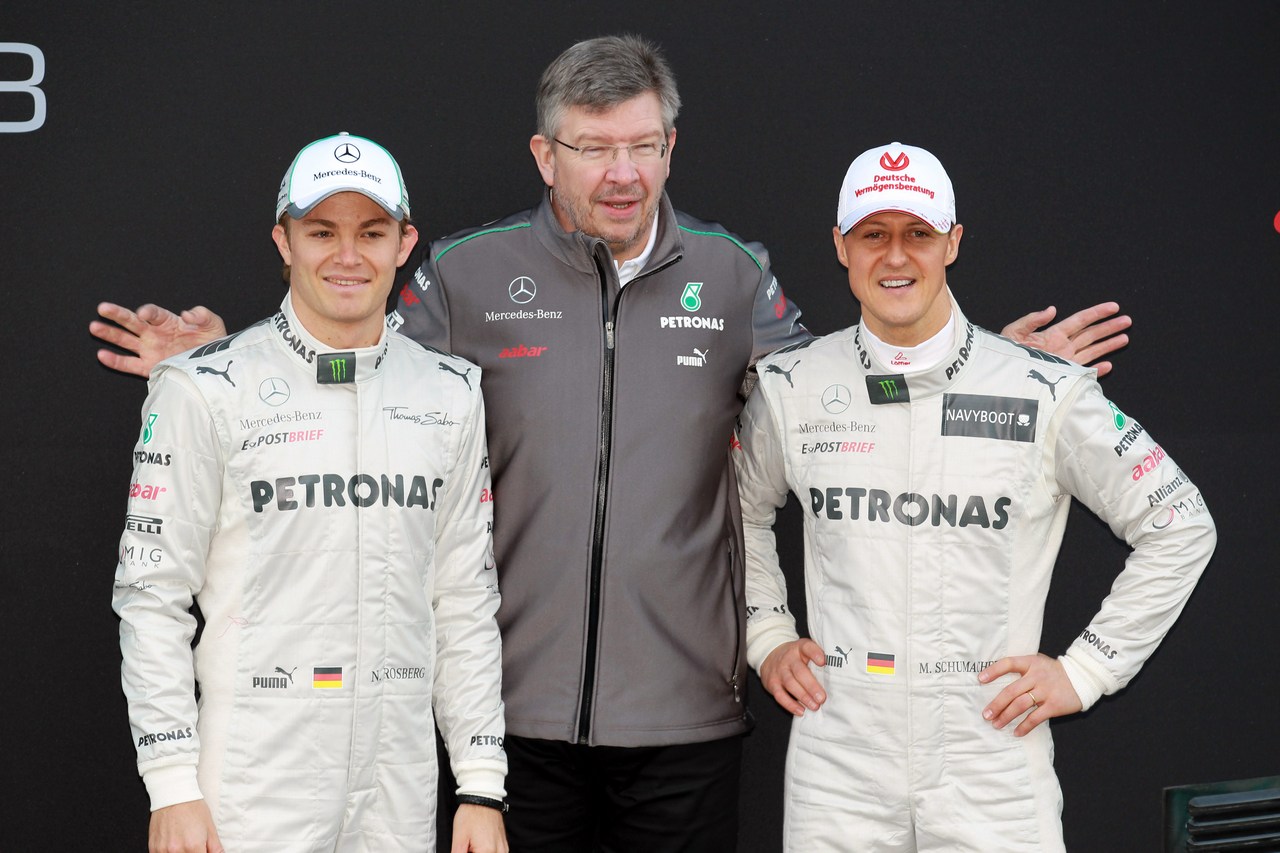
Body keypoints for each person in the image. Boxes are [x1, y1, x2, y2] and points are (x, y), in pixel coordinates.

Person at [93, 40, 1130, 851]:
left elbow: (832, 395)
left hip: (685, 719)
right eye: (592, 147)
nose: (621, 172)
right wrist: (222, 359)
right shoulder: (463, 272)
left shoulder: (730, 275)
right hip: (513, 720)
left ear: (670, 146)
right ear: (546, 154)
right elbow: (346, 346)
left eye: (642, 144)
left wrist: (974, 359)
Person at [733, 141, 1216, 851]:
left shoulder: (1043, 389)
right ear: (840, 246)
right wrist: (767, 634)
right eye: (874, 234)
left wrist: (1086, 670)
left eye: (918, 234)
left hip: (991, 758)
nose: (895, 257)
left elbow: (1180, 522)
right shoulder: (792, 385)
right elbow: (735, 511)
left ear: (953, 243)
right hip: (839, 764)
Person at [111, 133, 508, 853]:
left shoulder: (452, 392)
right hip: (255, 772)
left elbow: (464, 598)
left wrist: (480, 780)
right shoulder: (202, 387)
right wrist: (171, 781)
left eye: (372, 232)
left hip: (400, 775)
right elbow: (151, 595)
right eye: (322, 231)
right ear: (283, 240)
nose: (348, 256)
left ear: (405, 242)